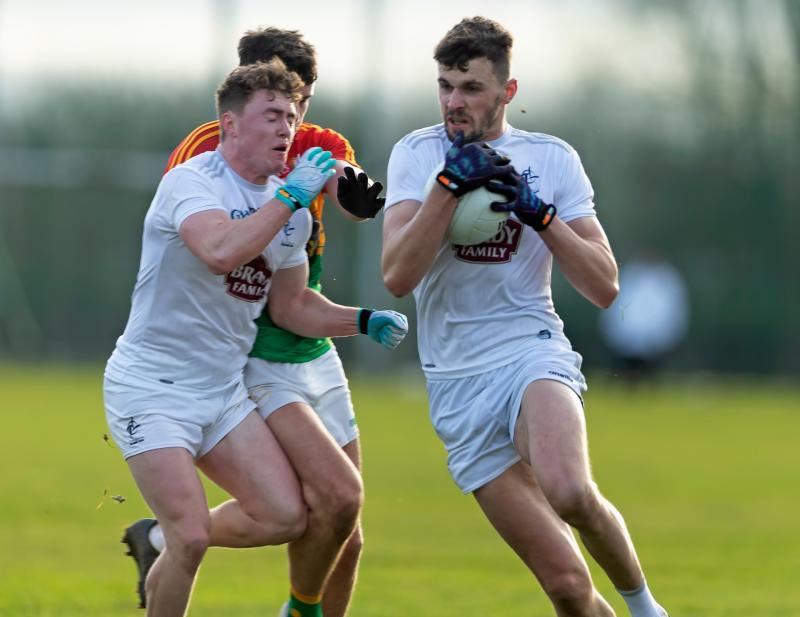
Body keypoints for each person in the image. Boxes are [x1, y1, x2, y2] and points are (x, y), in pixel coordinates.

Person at [381, 16, 668, 617]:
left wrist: (540, 216)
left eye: (472, 88)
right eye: (446, 86)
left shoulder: (552, 160)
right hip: (456, 384)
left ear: (508, 92)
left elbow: (605, 286)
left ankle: (647, 610)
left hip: (529, 351)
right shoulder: (417, 153)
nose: (454, 103)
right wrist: (444, 190)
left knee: (569, 490)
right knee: (566, 585)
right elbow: (398, 277)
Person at [106, 60, 408, 617]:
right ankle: (168, 551)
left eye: (293, 117)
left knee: (286, 517)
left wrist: (362, 321)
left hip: (222, 393)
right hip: (151, 386)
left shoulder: (291, 212)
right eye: (272, 115)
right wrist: (289, 199)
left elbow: (292, 308)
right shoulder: (192, 181)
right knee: (192, 536)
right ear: (230, 125)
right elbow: (220, 249)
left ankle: (155, 546)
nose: (286, 129)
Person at [599, 254, 689, 381]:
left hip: (653, 339)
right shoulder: (631, 276)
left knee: (648, 372)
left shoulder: (665, 279)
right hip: (628, 337)